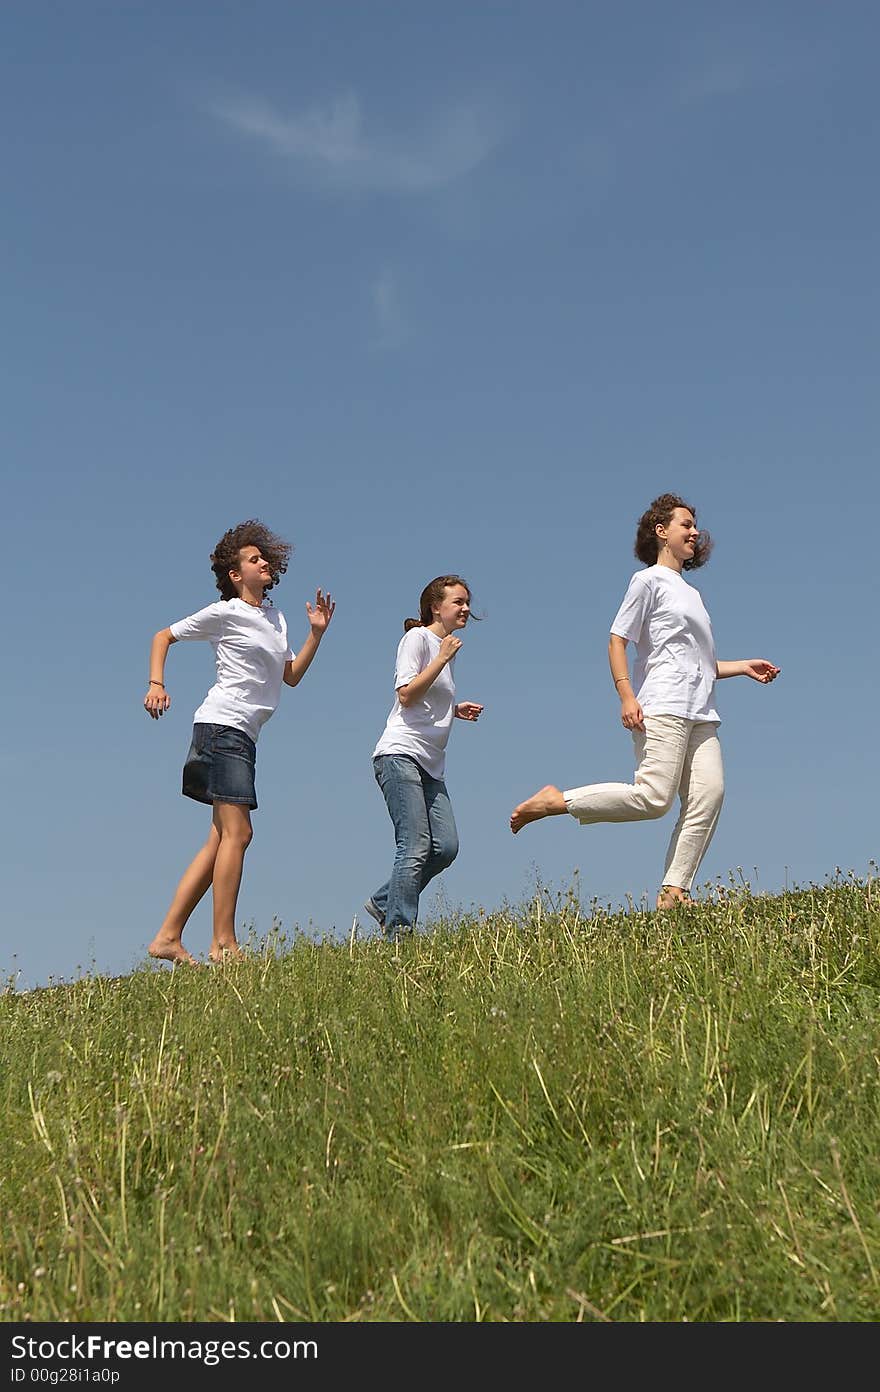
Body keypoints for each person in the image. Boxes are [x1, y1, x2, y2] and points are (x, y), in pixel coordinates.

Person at [509, 494, 780, 909]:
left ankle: (674, 892)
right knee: (654, 798)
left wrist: (742, 666)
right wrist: (626, 695)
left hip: (701, 710)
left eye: (695, 526)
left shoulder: (692, 593)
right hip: (663, 704)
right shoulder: (648, 581)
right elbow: (618, 639)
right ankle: (556, 801)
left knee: (710, 793)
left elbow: (699, 662)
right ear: (661, 531)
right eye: (685, 524)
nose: (694, 532)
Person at [143, 519, 335, 963]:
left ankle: (168, 937)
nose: (263, 562)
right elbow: (163, 636)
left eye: (264, 557)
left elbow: (290, 677)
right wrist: (156, 682)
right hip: (221, 727)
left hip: (244, 734)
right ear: (235, 575)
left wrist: (317, 633)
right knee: (240, 833)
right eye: (253, 559)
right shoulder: (225, 612)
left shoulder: (275, 617)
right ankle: (224, 944)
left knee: (220, 840)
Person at [365, 576, 484, 940]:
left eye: (467, 602)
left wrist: (453, 708)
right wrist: (442, 658)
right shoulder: (417, 639)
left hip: (431, 762)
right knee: (414, 845)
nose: (465, 608)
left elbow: (428, 697)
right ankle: (398, 933)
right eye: (458, 602)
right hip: (400, 755)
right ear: (436, 607)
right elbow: (406, 694)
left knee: (445, 847)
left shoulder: (442, 646)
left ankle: (386, 900)